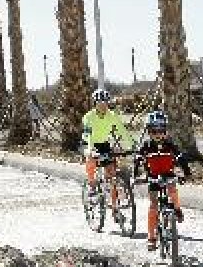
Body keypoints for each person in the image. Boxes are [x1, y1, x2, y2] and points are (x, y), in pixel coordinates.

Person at [134, 111, 192, 251]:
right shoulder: (146, 146)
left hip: (168, 174)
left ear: (166, 131)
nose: (158, 134)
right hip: (153, 177)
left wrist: (187, 173)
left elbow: (181, 158)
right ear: (149, 132)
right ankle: (151, 237)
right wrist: (136, 175)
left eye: (161, 131)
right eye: (154, 131)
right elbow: (137, 161)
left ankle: (177, 209)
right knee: (154, 205)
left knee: (172, 189)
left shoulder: (170, 145)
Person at [81, 89, 136, 199]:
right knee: (91, 160)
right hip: (90, 143)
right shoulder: (88, 116)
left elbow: (122, 131)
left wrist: (132, 145)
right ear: (95, 103)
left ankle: (114, 205)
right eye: (100, 103)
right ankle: (92, 185)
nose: (103, 105)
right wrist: (90, 149)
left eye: (105, 102)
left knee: (111, 172)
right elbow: (88, 134)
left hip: (104, 144)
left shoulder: (112, 115)